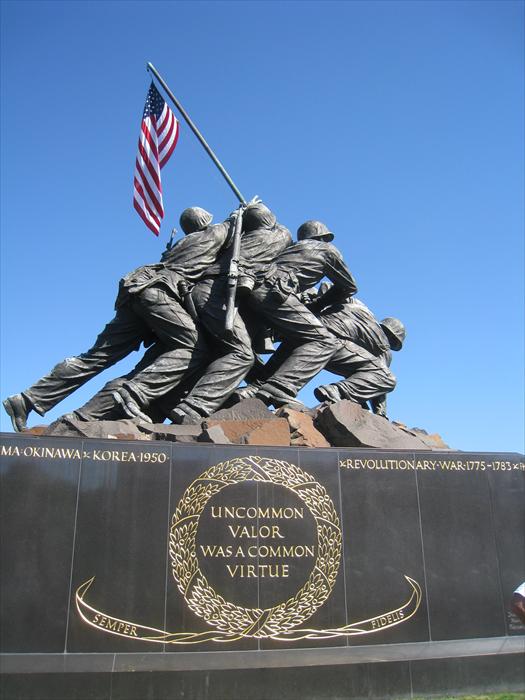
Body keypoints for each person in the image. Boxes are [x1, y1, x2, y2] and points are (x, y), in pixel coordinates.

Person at [2, 206, 234, 431]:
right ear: (205, 221)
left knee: (96, 357)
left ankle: (28, 399)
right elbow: (234, 223)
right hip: (159, 294)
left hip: (136, 291)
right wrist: (244, 211)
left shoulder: (182, 244)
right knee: (194, 347)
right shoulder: (212, 233)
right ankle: (134, 393)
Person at [232, 220, 358, 408]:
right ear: (322, 237)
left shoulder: (291, 249)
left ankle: (255, 387)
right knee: (324, 341)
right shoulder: (327, 250)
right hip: (275, 293)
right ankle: (280, 387)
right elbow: (349, 286)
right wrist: (319, 304)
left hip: (251, 291)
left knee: (294, 339)